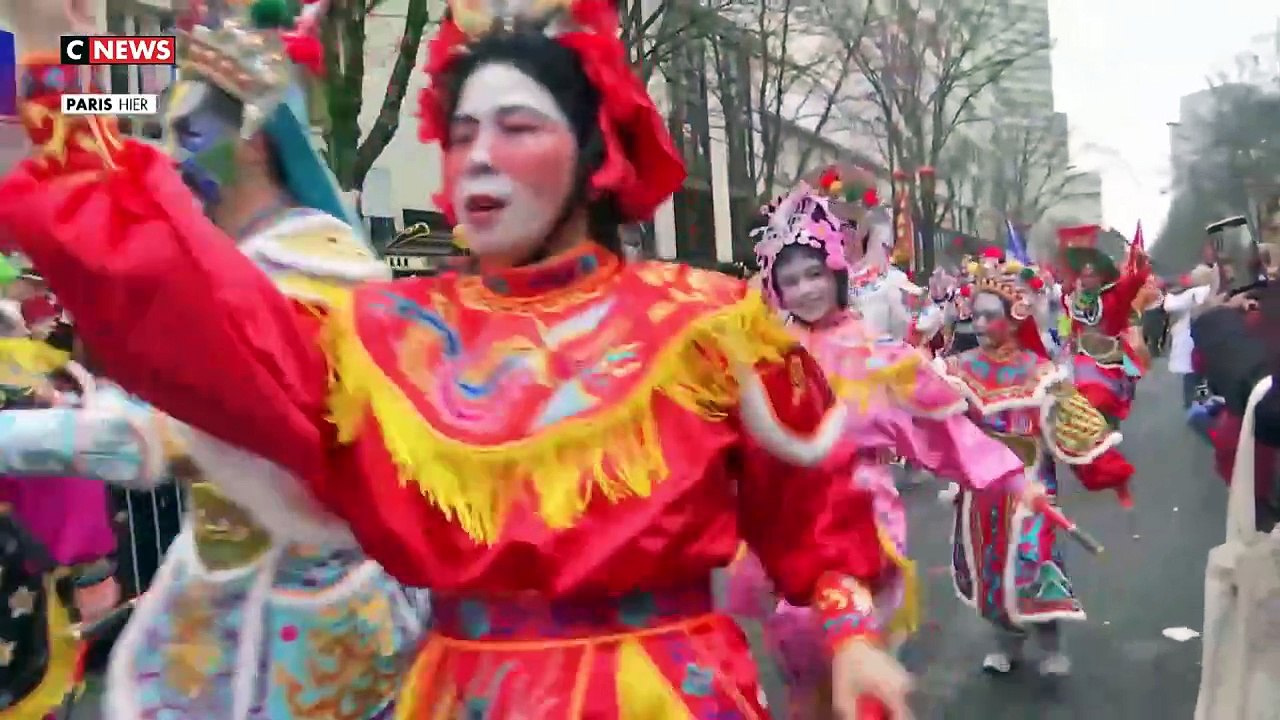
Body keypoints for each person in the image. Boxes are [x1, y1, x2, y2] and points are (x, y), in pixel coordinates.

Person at [1, 1, 915, 718]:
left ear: (595, 151)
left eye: (515, 127)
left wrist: (850, 637)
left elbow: (811, 519)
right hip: (448, 685)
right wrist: (53, 87)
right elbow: (194, 318)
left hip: (660, 692)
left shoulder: (711, 322)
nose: (478, 159)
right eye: (463, 135)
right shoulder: (383, 331)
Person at [1, 2, 428, 717]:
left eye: (192, 134)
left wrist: (14, 434)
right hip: (226, 609)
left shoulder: (318, 273)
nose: (174, 158)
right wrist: (67, 70)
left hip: (314, 634)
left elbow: (171, 423)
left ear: (257, 145)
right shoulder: (254, 263)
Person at [730, 181, 1028, 719]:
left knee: (861, 668)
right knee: (802, 671)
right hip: (787, 530)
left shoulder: (878, 352)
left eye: (815, 274)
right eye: (790, 280)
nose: (804, 291)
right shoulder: (768, 356)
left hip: (862, 523)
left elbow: (948, 431)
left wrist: (1010, 478)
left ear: (837, 274)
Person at [933, 263, 1125, 677]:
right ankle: (1008, 645)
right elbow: (939, 427)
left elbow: (1077, 426)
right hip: (980, 492)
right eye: (976, 313)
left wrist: (1108, 466)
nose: (980, 322)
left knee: (1035, 564)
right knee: (989, 568)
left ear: (1014, 318)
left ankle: (1051, 644)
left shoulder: (1041, 373)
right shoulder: (956, 369)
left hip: (1033, 489)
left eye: (990, 315)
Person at [1055, 225, 1145, 504]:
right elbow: (1068, 323)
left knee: (1106, 405)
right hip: (1082, 360)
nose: (1086, 277)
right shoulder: (1072, 299)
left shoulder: (1115, 297)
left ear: (1102, 276)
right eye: (1083, 273)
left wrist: (1139, 263)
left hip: (1110, 360)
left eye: (1092, 273)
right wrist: (1064, 342)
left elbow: (1135, 281)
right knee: (1085, 402)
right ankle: (1095, 450)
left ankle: (1106, 441)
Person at [1164, 265, 1214, 408]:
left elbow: (1170, 305)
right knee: (1203, 376)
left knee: (1190, 376)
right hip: (1207, 339)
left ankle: (1191, 406)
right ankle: (1204, 402)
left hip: (1190, 342)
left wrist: (1168, 292)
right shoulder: (1211, 292)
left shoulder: (1193, 293)